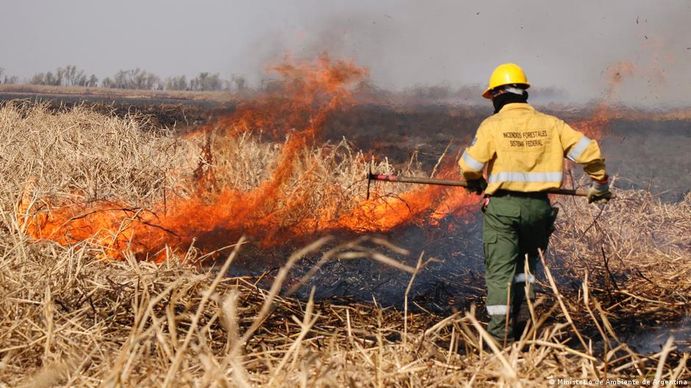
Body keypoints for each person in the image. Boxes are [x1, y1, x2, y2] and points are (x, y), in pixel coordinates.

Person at [458, 63, 612, 345]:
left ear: (498, 94)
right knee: (526, 271)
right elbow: (589, 152)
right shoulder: (551, 124)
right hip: (540, 210)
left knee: (501, 274)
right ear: (523, 93)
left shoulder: (493, 125)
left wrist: (475, 181)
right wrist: (600, 185)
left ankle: (499, 343)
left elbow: (470, 165)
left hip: (504, 209)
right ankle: (526, 331)